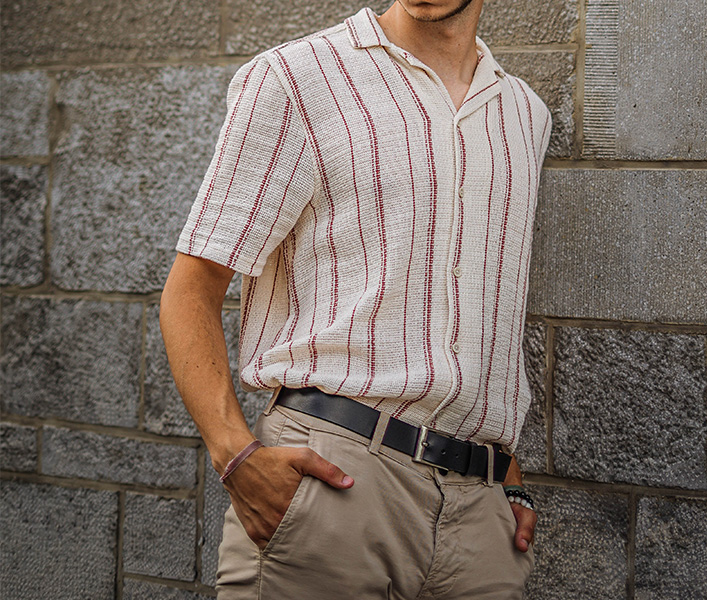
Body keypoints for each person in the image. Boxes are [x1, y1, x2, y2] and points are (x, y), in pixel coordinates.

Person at [160, 0, 551, 597]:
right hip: (334, 480)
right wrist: (236, 457)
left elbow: (487, 308)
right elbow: (192, 288)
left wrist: (509, 477)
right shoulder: (296, 79)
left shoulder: (525, 114)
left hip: (482, 521)